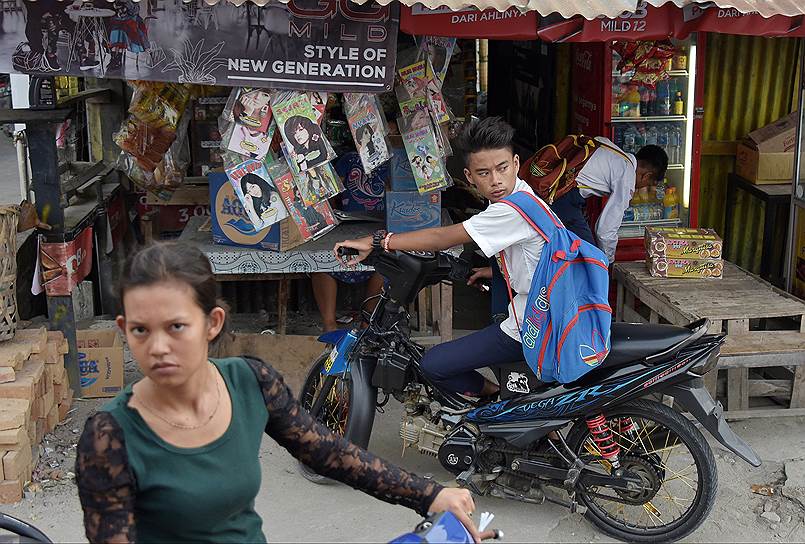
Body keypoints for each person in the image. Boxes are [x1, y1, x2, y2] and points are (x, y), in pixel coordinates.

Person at [74, 242, 486, 543]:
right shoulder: (109, 435)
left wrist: (431, 495)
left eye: (176, 327)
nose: (158, 346)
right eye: (140, 330)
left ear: (213, 323)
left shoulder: (250, 382)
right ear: (123, 330)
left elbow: (331, 454)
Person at [335, 117, 545, 398]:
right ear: (469, 177)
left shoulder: (508, 211)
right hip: (541, 310)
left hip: (531, 326)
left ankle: (493, 400)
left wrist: (378, 241)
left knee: (433, 365)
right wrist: (493, 272)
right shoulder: (526, 197)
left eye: (502, 168)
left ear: (516, 164)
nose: (495, 180)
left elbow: (441, 238)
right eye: (484, 173)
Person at [526, 138, 668, 264]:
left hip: (558, 189)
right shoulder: (627, 176)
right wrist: (607, 262)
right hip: (564, 197)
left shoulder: (608, 146)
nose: (643, 187)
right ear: (646, 176)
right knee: (591, 257)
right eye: (649, 184)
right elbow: (605, 230)